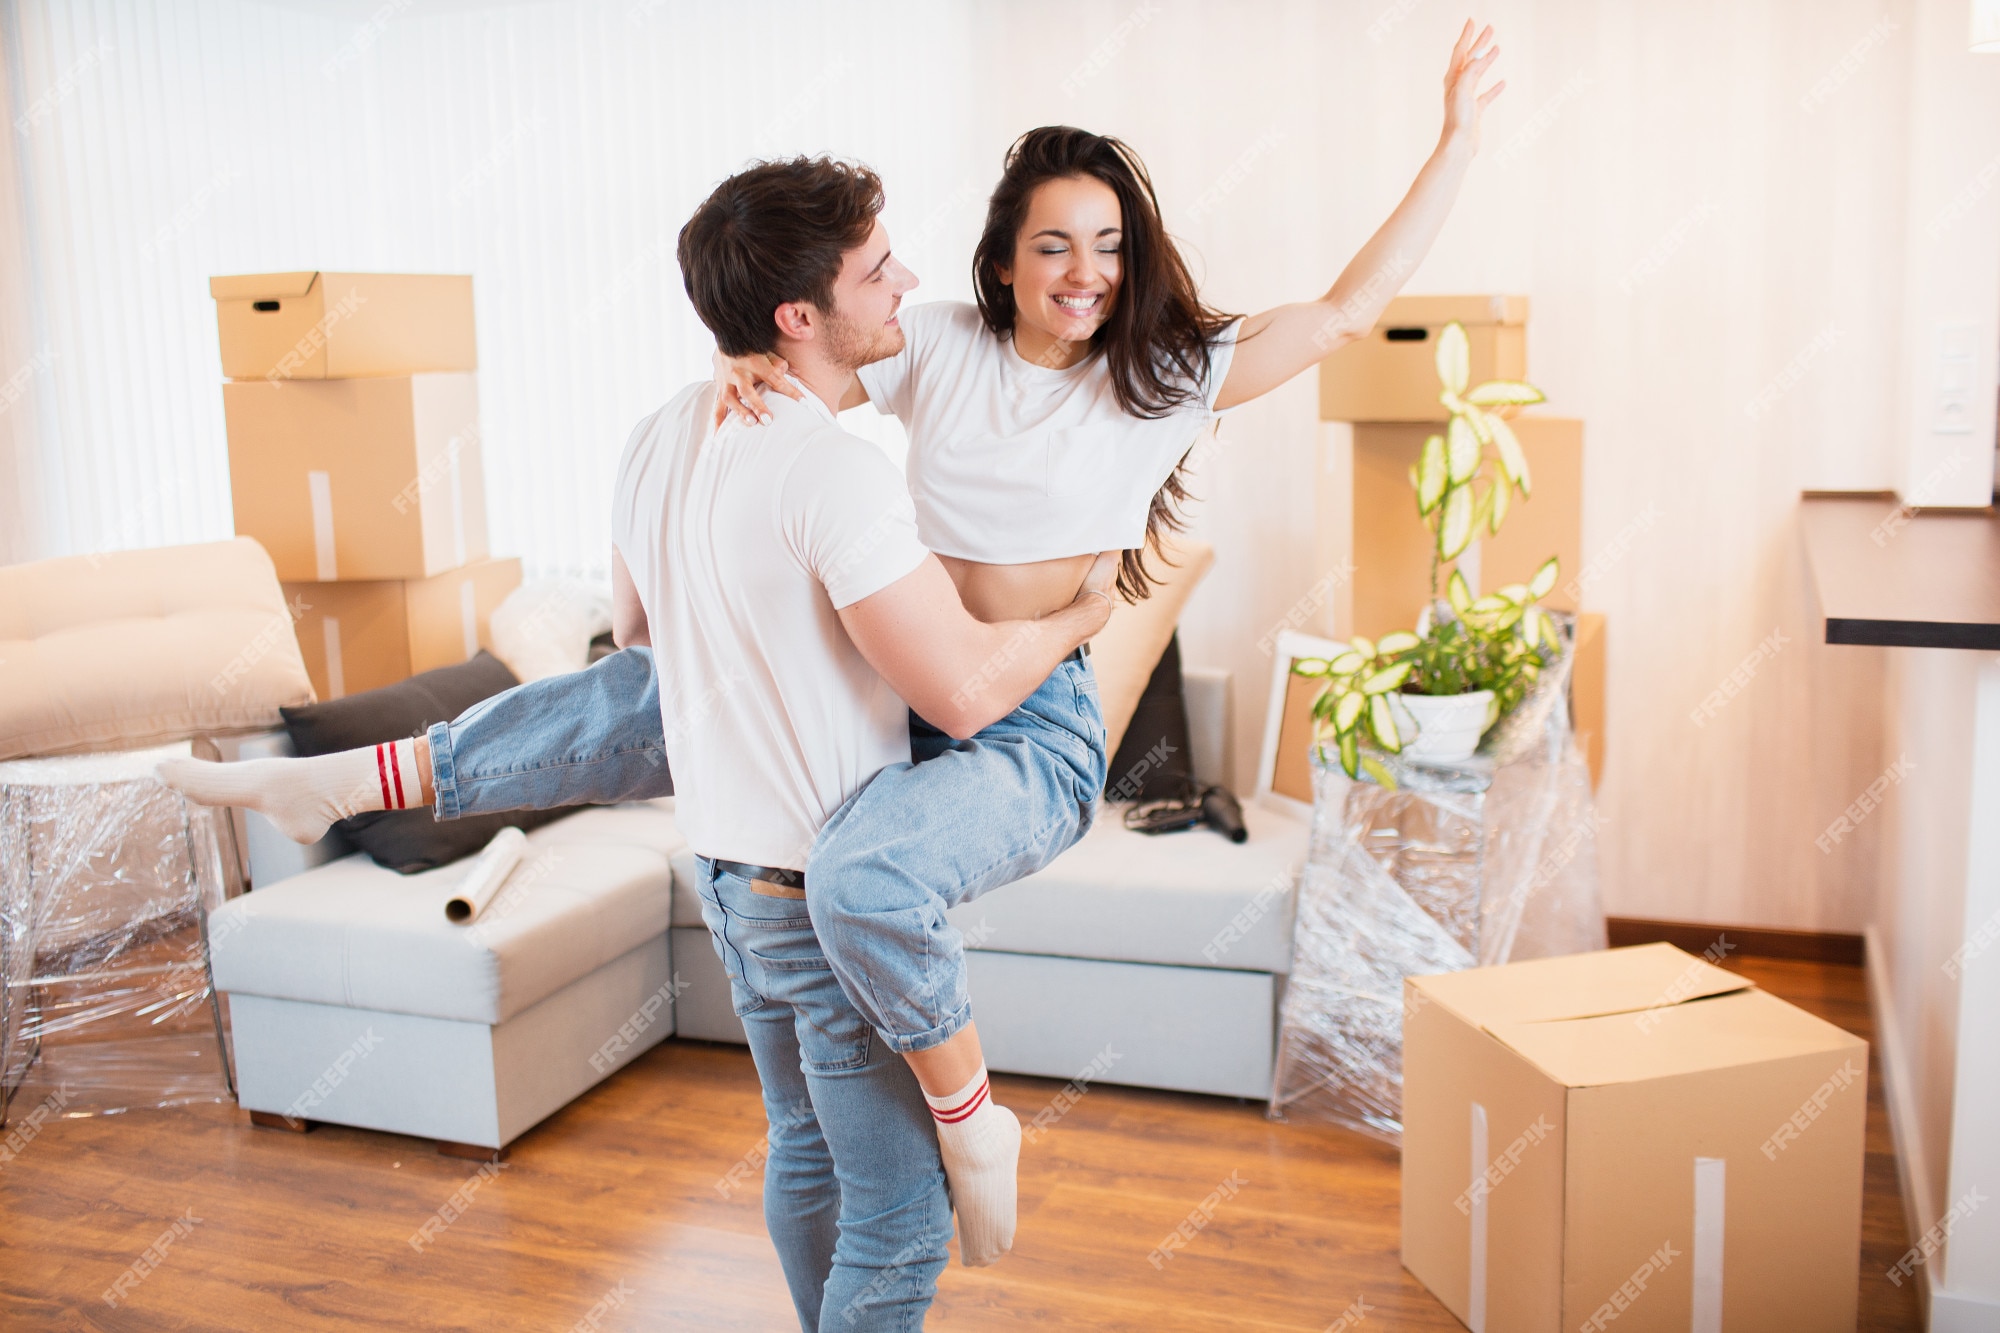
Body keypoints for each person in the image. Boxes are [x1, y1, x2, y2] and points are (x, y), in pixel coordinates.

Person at [162, 20, 1505, 1270]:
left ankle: (975, 1118)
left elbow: (1341, 310)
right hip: (901, 687)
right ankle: (365, 778)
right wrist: (729, 368)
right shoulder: (940, 344)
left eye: (1107, 242)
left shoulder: (1164, 375)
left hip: (1027, 722)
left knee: (860, 877)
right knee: (657, 681)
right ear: (1004, 260)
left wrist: (1456, 142)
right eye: (1054, 245)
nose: (1085, 272)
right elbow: (807, 331)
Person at [164, 157, 1114, 1330]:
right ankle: (965, 1138)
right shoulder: (834, 472)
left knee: (803, 1155)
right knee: (899, 1214)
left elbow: (645, 645)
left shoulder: (662, 431)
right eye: (878, 271)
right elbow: (966, 698)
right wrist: (1077, 619)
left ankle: (370, 774)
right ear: (797, 317)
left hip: (723, 877)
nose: (905, 287)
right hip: (809, 882)